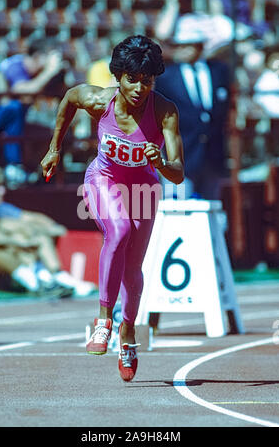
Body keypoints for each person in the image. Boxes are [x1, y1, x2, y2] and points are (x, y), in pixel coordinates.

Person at [41, 35, 184, 382]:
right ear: (118, 76)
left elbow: (178, 174)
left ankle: (128, 333)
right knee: (118, 230)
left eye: (146, 81)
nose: (138, 88)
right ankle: (104, 320)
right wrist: (54, 149)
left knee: (134, 265)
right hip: (103, 179)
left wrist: (161, 162)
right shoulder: (97, 100)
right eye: (131, 79)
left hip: (144, 187)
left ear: (154, 80)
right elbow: (68, 100)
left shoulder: (164, 111)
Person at [0, 164, 95, 297]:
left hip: (14, 262)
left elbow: (32, 217)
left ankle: (56, 277)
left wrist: (51, 227)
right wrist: (20, 241)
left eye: (1, 186)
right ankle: (37, 283)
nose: (2, 191)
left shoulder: (2, 208)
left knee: (32, 233)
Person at [155, 25, 230, 200]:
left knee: (211, 209)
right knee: (178, 210)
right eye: (179, 45)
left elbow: (224, 109)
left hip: (212, 155)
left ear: (200, 46)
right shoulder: (167, 77)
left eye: (187, 45)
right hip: (181, 156)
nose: (182, 50)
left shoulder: (219, 71)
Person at [0, 38, 64, 174]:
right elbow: (24, 91)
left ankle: (33, 173)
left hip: (14, 124)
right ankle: (14, 166)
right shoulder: (16, 65)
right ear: (38, 56)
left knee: (51, 134)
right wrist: (49, 71)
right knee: (15, 107)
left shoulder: (37, 74)